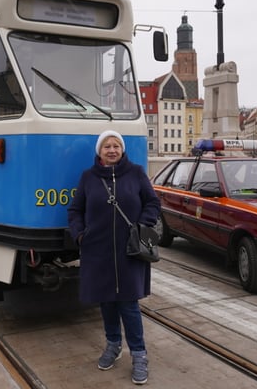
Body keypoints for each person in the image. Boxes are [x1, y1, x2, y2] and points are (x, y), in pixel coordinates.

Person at [67, 130, 161, 385]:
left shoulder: (136, 173)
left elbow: (152, 203)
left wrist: (143, 225)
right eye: (107, 146)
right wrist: (80, 235)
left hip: (129, 251)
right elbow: (75, 210)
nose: (111, 150)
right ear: (99, 151)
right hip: (97, 251)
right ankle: (113, 345)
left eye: (116, 146)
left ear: (122, 150)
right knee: (106, 302)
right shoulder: (88, 178)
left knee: (128, 304)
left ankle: (139, 356)